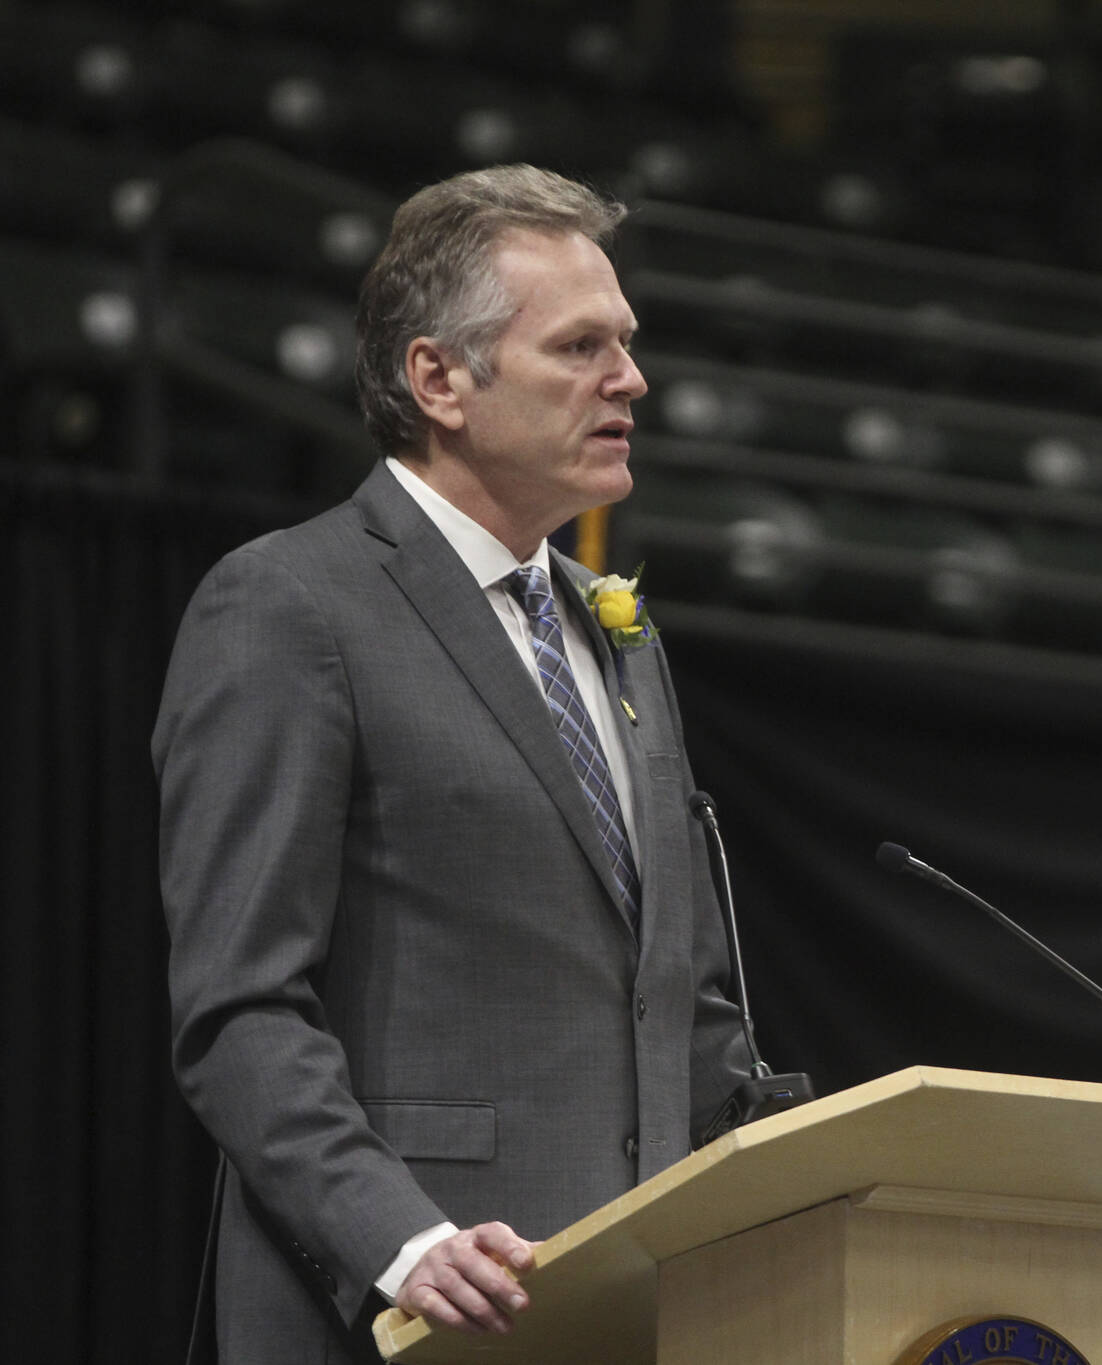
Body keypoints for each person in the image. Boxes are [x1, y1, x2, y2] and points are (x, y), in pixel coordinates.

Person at [154, 163, 753, 1363]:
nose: (630, 380)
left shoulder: (615, 629)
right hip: (402, 1316)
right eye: (581, 346)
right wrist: (404, 1239)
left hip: (637, 1315)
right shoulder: (292, 606)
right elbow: (239, 1010)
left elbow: (675, 1005)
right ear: (438, 378)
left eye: (625, 344)